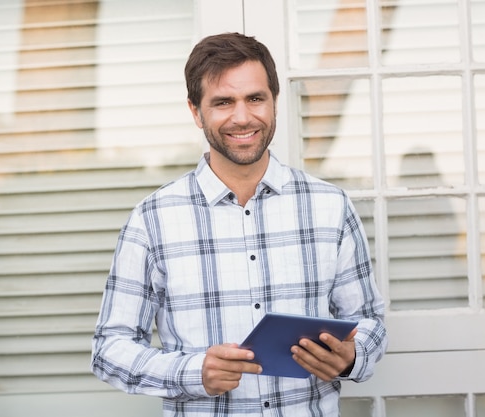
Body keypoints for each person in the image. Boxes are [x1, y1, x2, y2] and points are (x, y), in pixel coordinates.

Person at [91, 32, 387, 417]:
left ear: (274, 103)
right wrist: (192, 371)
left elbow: (370, 322)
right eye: (223, 102)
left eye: (255, 98)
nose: (243, 116)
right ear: (196, 112)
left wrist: (351, 356)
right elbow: (110, 348)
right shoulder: (152, 220)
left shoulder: (330, 206)